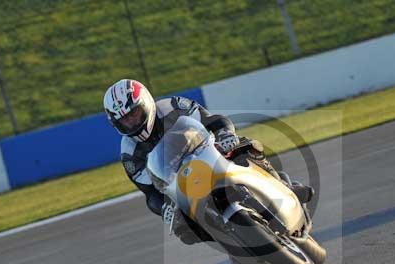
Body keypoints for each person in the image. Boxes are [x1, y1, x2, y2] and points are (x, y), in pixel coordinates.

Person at [103, 79, 313, 246]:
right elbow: (151, 194)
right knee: (184, 231)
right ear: (116, 124)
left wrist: (224, 134)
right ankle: (231, 245)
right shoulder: (129, 153)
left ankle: (286, 187)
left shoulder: (172, 106)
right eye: (125, 120)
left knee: (244, 147)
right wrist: (165, 208)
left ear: (146, 103)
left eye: (135, 113)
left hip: (208, 151)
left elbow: (213, 120)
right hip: (182, 183)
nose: (132, 122)